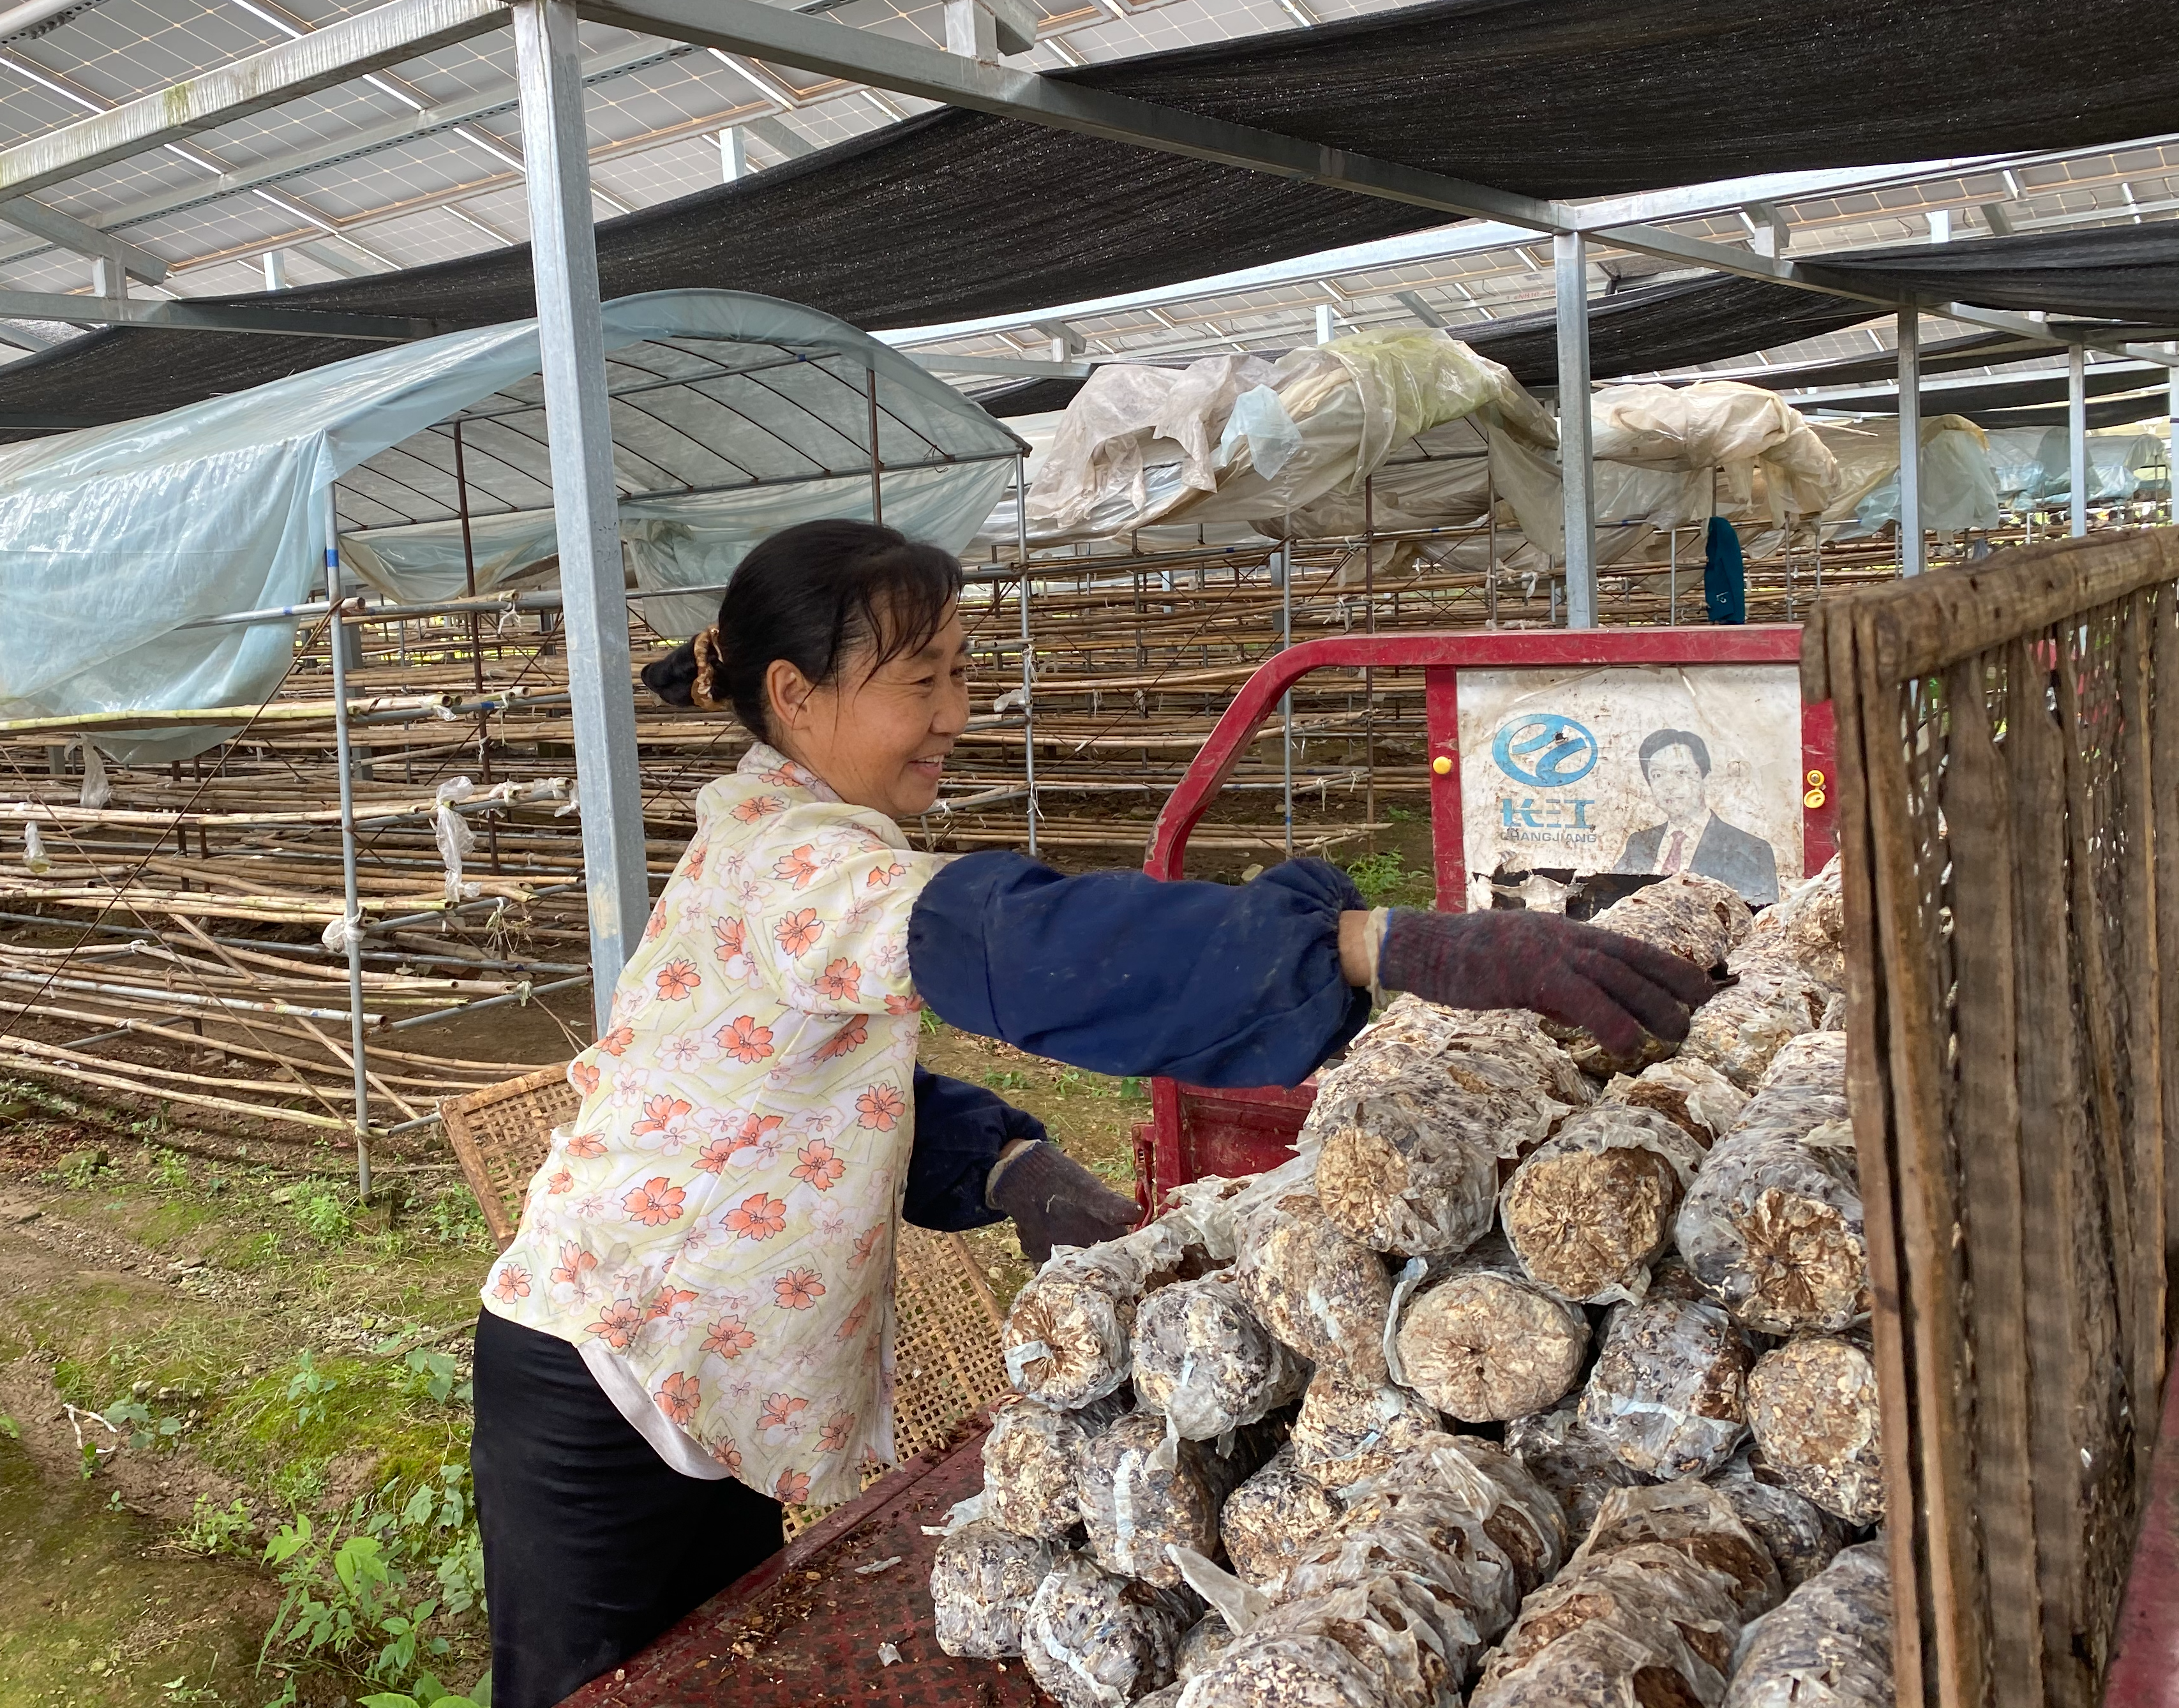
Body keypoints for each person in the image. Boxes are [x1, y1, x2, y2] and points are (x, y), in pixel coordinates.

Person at [470, 521, 1716, 1708]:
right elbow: (1015, 942)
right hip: (610, 1372)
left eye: (960, 673)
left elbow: (798, 1090)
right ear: (797, 696)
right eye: (921, 682)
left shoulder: (793, 840)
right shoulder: (790, 862)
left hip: (696, 1377)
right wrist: (1364, 941)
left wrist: (1002, 1163)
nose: (955, 715)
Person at [1613, 726, 1779, 905]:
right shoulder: (1640, 842)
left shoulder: (1750, 849)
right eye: (1658, 774)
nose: (1669, 785)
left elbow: (1756, 919)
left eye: (1681, 772)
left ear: (1704, 776)